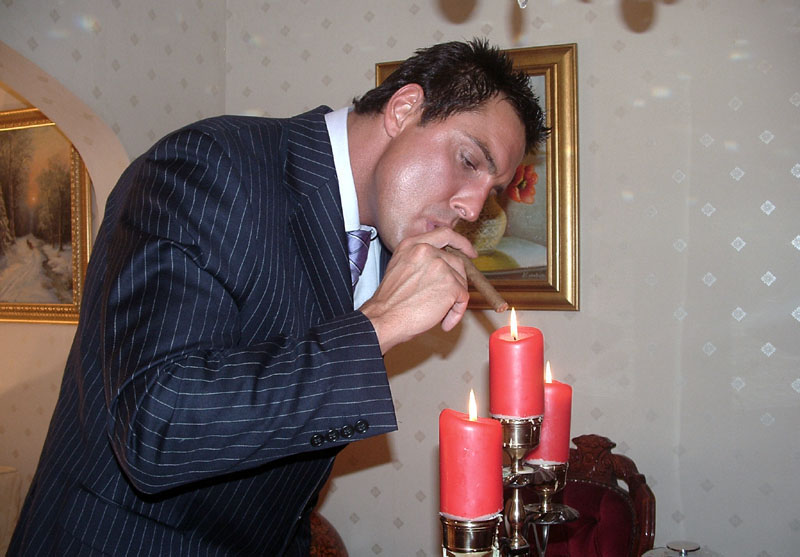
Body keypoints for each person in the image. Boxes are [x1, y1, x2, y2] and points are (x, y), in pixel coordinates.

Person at [9, 38, 547, 555]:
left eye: (492, 191)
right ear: (404, 108)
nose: (472, 208)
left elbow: (285, 457)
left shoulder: (386, 247)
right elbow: (158, 425)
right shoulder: (208, 163)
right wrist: (378, 325)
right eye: (469, 161)